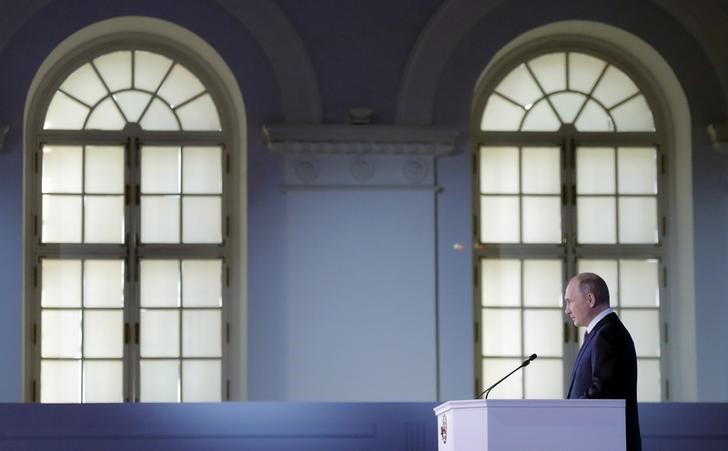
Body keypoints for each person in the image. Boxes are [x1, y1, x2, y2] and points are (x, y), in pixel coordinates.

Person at [564, 272, 642, 451]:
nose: (567, 310)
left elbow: (603, 392)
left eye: (570, 301)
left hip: (606, 442)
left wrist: (566, 414)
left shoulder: (608, 334)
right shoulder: (600, 332)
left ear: (590, 299)